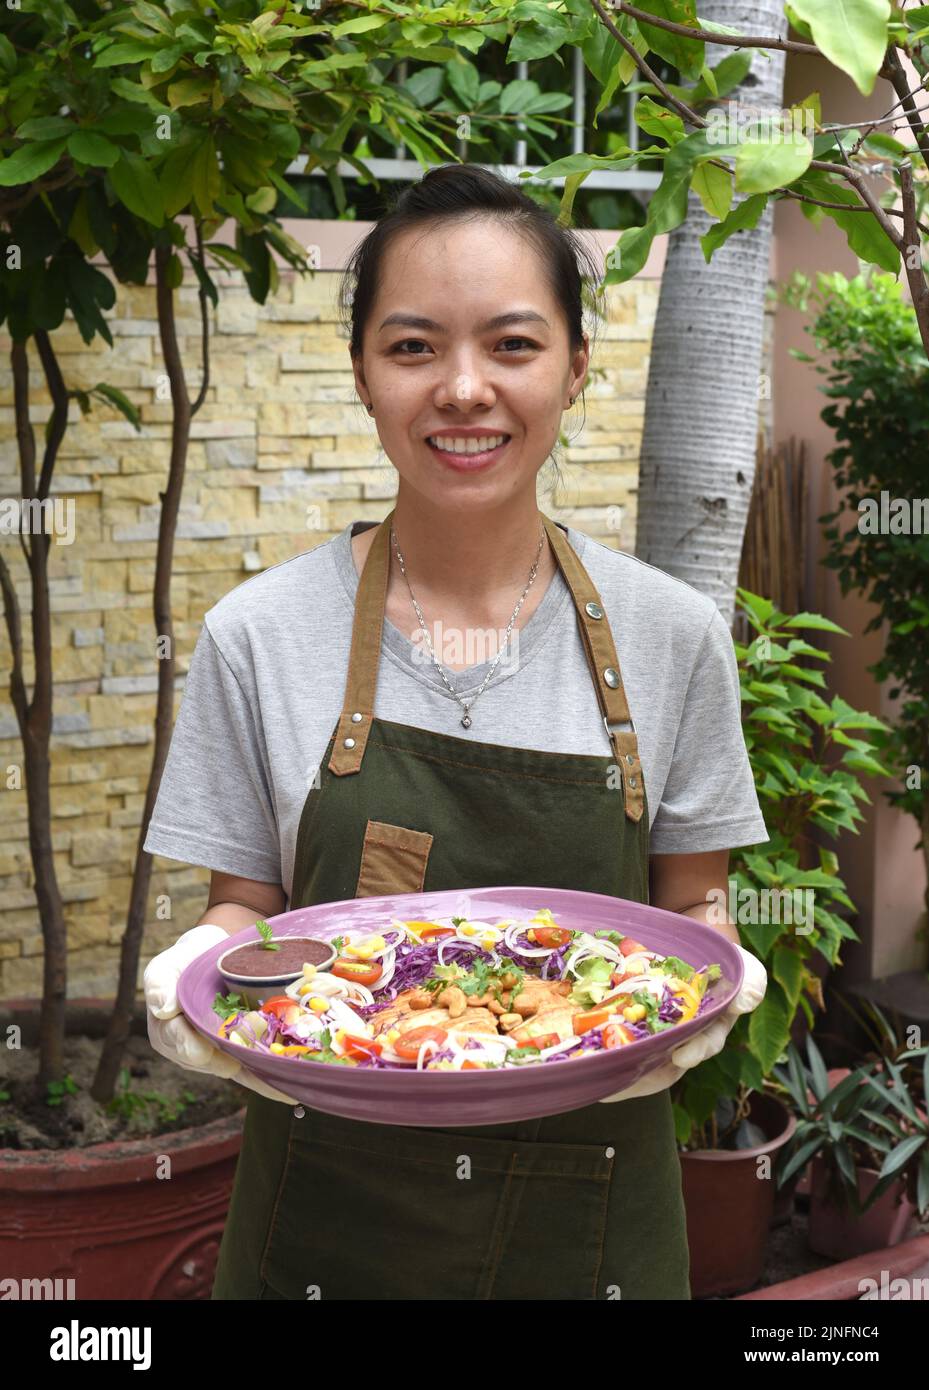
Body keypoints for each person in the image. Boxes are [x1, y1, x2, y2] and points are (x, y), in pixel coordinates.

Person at [143, 164, 769, 1301]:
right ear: (361, 376)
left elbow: (689, 908)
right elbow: (247, 912)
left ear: (576, 366)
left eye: (513, 345)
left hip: (591, 1232)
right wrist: (203, 963)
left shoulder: (670, 637)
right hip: (321, 1224)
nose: (463, 389)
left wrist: (711, 984)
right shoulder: (258, 634)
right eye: (414, 346)